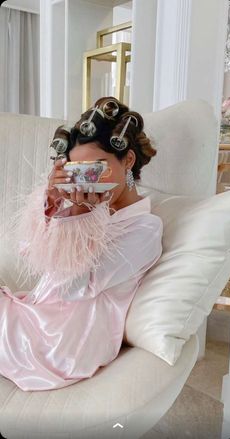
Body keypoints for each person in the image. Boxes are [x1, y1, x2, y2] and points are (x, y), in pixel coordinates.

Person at [0, 97, 163, 391]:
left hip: (64, 342)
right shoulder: (93, 210)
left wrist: (77, 215)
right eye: (77, 170)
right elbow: (29, 252)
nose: (86, 181)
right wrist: (52, 202)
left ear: (128, 159)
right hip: (40, 314)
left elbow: (74, 288)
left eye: (97, 168)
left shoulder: (145, 228)